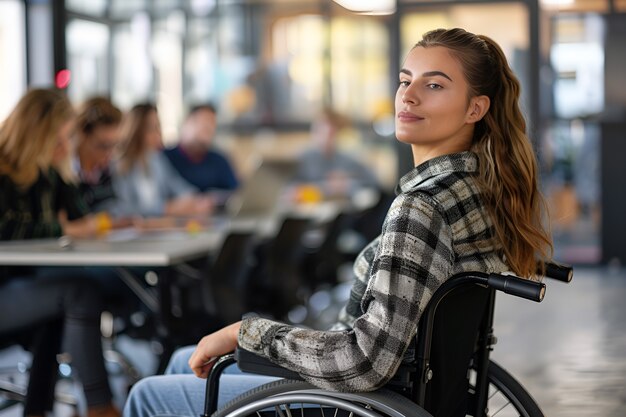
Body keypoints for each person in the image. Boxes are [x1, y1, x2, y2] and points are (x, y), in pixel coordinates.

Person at [123, 27, 553, 417]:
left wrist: (247, 331)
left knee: (147, 393)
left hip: (356, 402)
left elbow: (365, 362)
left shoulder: (422, 208)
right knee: (184, 360)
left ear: (475, 108)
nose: (409, 95)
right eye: (406, 80)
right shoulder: (475, 188)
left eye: (434, 85)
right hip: (408, 388)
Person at [0, 88, 120, 417]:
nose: (65, 146)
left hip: (20, 286)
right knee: (79, 292)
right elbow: (7, 230)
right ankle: (100, 407)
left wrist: (64, 171)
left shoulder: (45, 171)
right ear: (36, 135)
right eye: (60, 138)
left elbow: (83, 218)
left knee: (65, 301)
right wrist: (64, 229)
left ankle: (40, 410)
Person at [110, 103, 213, 219]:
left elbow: (177, 185)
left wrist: (196, 200)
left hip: (159, 228)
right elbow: (124, 208)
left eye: (159, 127)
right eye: (152, 129)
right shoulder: (119, 165)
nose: (158, 134)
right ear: (136, 130)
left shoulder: (156, 159)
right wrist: (165, 208)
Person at [293, 106, 380, 199]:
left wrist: (346, 184)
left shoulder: (347, 158)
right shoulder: (306, 158)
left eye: (330, 132)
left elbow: (373, 183)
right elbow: (292, 189)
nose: (325, 138)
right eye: (320, 130)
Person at [163, 104, 239, 193]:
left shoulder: (219, 161)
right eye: (204, 123)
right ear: (187, 122)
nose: (209, 128)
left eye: (212, 124)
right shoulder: (165, 159)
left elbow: (238, 194)